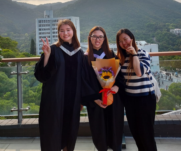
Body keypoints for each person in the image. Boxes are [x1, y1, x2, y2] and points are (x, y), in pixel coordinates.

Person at [34, 19, 89, 151]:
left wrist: (82, 100)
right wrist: (46, 56)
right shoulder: (53, 49)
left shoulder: (79, 52)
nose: (65, 33)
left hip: (72, 100)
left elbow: (83, 78)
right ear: (58, 33)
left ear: (73, 31)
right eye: (62, 31)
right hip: (55, 99)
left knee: (69, 130)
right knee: (53, 130)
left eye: (68, 30)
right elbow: (42, 76)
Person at [82, 26, 125, 151]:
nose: (97, 39)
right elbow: (83, 82)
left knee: (115, 130)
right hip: (96, 102)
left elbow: (120, 76)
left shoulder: (111, 55)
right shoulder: (85, 58)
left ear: (104, 39)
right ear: (89, 38)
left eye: (100, 37)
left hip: (113, 99)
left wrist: (117, 87)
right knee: (99, 132)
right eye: (94, 36)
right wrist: (95, 99)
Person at [116, 28, 157, 151]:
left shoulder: (142, 53)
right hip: (130, 100)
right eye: (120, 41)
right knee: (136, 133)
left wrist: (134, 53)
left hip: (145, 99)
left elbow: (139, 72)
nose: (124, 43)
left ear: (131, 39)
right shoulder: (120, 58)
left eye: (125, 39)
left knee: (146, 134)